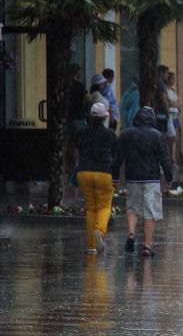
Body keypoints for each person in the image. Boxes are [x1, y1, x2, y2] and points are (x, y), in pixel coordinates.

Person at [113, 106, 173, 258]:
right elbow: (165, 160)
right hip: (151, 179)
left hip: (132, 178)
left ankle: (131, 233)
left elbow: (118, 158)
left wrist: (115, 177)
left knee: (132, 208)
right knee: (150, 212)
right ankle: (147, 247)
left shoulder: (127, 134)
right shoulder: (157, 136)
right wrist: (169, 178)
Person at [75, 102, 118, 254]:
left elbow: (78, 147)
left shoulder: (82, 132)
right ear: (104, 117)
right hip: (104, 173)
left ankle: (91, 246)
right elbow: (116, 154)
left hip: (84, 172)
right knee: (104, 206)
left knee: (91, 208)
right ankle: (99, 231)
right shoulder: (109, 134)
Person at [65, 64, 91, 173]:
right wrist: (85, 108)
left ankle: (69, 167)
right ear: (77, 73)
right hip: (79, 118)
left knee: (70, 144)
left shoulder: (65, 86)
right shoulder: (80, 86)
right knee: (79, 144)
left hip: (68, 119)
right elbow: (88, 99)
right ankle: (77, 167)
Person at [165, 72, 181, 166]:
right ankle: (167, 157)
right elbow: (169, 103)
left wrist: (175, 104)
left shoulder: (173, 91)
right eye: (172, 79)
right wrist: (175, 104)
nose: (174, 81)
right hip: (170, 114)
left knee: (175, 138)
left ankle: (173, 159)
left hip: (176, 114)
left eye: (174, 79)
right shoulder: (165, 91)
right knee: (171, 136)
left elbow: (179, 102)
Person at [154, 65, 171, 135]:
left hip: (157, 113)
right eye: (167, 73)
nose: (168, 75)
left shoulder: (156, 82)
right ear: (161, 73)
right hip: (161, 113)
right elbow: (164, 99)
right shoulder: (160, 84)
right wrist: (168, 112)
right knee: (163, 134)